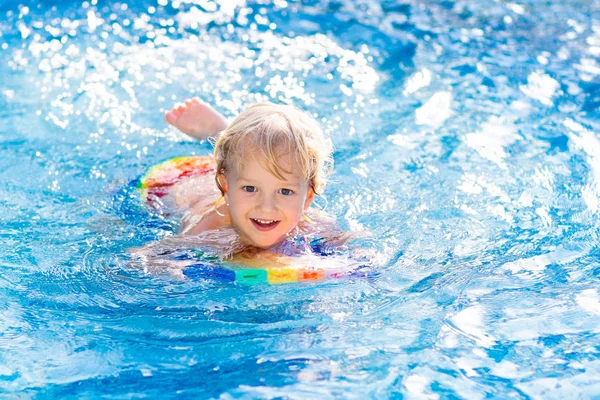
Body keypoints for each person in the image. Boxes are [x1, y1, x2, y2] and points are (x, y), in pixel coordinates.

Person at [134, 97, 349, 275]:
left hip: (234, 173)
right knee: (244, 161)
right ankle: (218, 134)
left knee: (248, 163)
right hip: (181, 184)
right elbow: (146, 258)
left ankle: (222, 133)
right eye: (250, 189)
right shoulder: (210, 229)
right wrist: (173, 269)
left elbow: (356, 258)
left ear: (308, 198)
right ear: (225, 187)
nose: (266, 207)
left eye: (285, 191)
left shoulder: (314, 225)